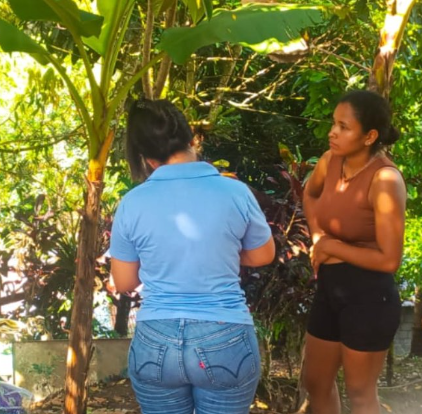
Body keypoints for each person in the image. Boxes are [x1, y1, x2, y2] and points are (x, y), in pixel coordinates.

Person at [109, 99, 275, 414]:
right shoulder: (235, 192)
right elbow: (264, 254)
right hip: (225, 334)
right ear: (192, 140)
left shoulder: (132, 203)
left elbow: (124, 282)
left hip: (155, 338)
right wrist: (220, 252)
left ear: (146, 157)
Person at [302, 90, 406, 414]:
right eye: (334, 123)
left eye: (343, 127)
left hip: (370, 297)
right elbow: (310, 195)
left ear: (369, 136)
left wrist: (332, 246)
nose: (333, 132)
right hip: (330, 288)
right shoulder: (329, 161)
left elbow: (389, 259)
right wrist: (317, 235)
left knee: (360, 394)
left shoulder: (385, 179)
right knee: (315, 382)